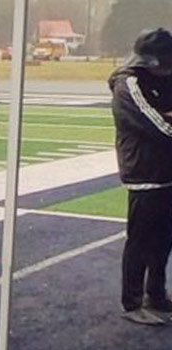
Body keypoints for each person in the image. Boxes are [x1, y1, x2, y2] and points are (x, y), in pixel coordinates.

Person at [110, 27, 172, 326]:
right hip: (144, 174)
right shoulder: (128, 85)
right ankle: (132, 302)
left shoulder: (160, 79)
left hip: (167, 173)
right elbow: (158, 126)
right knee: (140, 241)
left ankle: (156, 295)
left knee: (163, 240)